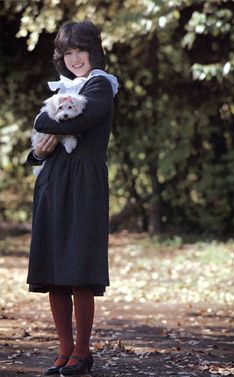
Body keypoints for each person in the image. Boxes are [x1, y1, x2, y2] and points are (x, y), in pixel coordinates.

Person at [26, 20, 118, 376]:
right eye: (68, 52)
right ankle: (64, 350)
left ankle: (83, 350)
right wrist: (38, 151)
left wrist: (42, 119)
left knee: (79, 267)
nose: (76, 58)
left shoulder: (100, 85)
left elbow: (73, 122)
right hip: (52, 181)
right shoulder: (63, 87)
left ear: (93, 51)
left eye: (81, 50)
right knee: (54, 269)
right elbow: (41, 142)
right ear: (61, 57)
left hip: (85, 183)